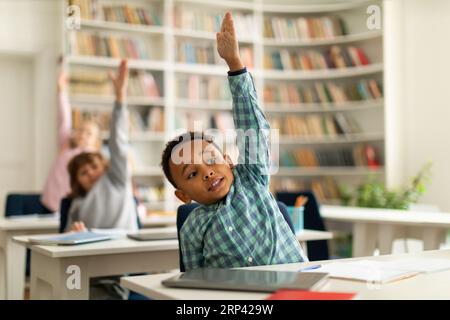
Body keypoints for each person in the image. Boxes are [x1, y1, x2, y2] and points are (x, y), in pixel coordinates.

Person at [160, 12, 307, 271]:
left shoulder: (252, 180)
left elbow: (253, 127)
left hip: (295, 289)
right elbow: (195, 286)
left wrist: (235, 63)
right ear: (183, 195)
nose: (207, 172)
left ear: (228, 160)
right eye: (193, 173)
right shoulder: (193, 228)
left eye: (211, 160)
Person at [66, 59, 138, 232]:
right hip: (94, 255)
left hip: (125, 249)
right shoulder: (77, 204)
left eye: (93, 166)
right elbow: (65, 235)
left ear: (105, 167)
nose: (90, 172)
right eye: (83, 173)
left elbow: (118, 144)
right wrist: (72, 232)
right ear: (77, 183)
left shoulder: (116, 179)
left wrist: (120, 99)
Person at [41, 65, 101, 212]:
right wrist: (61, 90)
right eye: (80, 130)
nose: (83, 134)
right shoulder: (66, 144)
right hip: (49, 201)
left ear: (96, 141)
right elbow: (64, 118)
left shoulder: (94, 158)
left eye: (89, 133)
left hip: (71, 205)